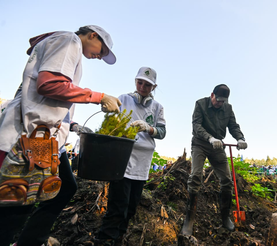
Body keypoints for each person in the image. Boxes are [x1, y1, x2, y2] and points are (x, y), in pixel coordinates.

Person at [0, 25, 122, 246]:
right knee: (16, 203)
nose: (99, 57)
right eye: (101, 51)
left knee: (65, 187)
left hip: (47, 137)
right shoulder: (69, 41)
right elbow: (50, 84)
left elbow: (48, 98)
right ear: (92, 35)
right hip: (31, 137)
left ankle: (31, 240)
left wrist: (72, 124)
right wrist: (98, 96)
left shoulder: (64, 44)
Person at [95, 67, 166, 246]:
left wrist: (149, 128)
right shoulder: (124, 99)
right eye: (139, 82)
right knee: (118, 204)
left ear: (153, 87)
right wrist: (108, 111)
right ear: (135, 82)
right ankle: (104, 239)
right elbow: (112, 120)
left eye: (147, 85)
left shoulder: (157, 108)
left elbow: (162, 132)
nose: (142, 87)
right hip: (123, 158)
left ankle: (118, 237)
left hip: (143, 162)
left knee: (132, 206)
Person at [180, 84, 247, 236]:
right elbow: (196, 126)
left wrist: (240, 138)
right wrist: (209, 138)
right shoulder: (200, 104)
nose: (219, 104)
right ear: (212, 96)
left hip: (218, 146)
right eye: (218, 101)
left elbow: (233, 126)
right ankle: (188, 220)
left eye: (223, 102)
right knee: (196, 175)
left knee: (227, 180)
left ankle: (225, 217)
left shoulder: (228, 109)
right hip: (200, 143)